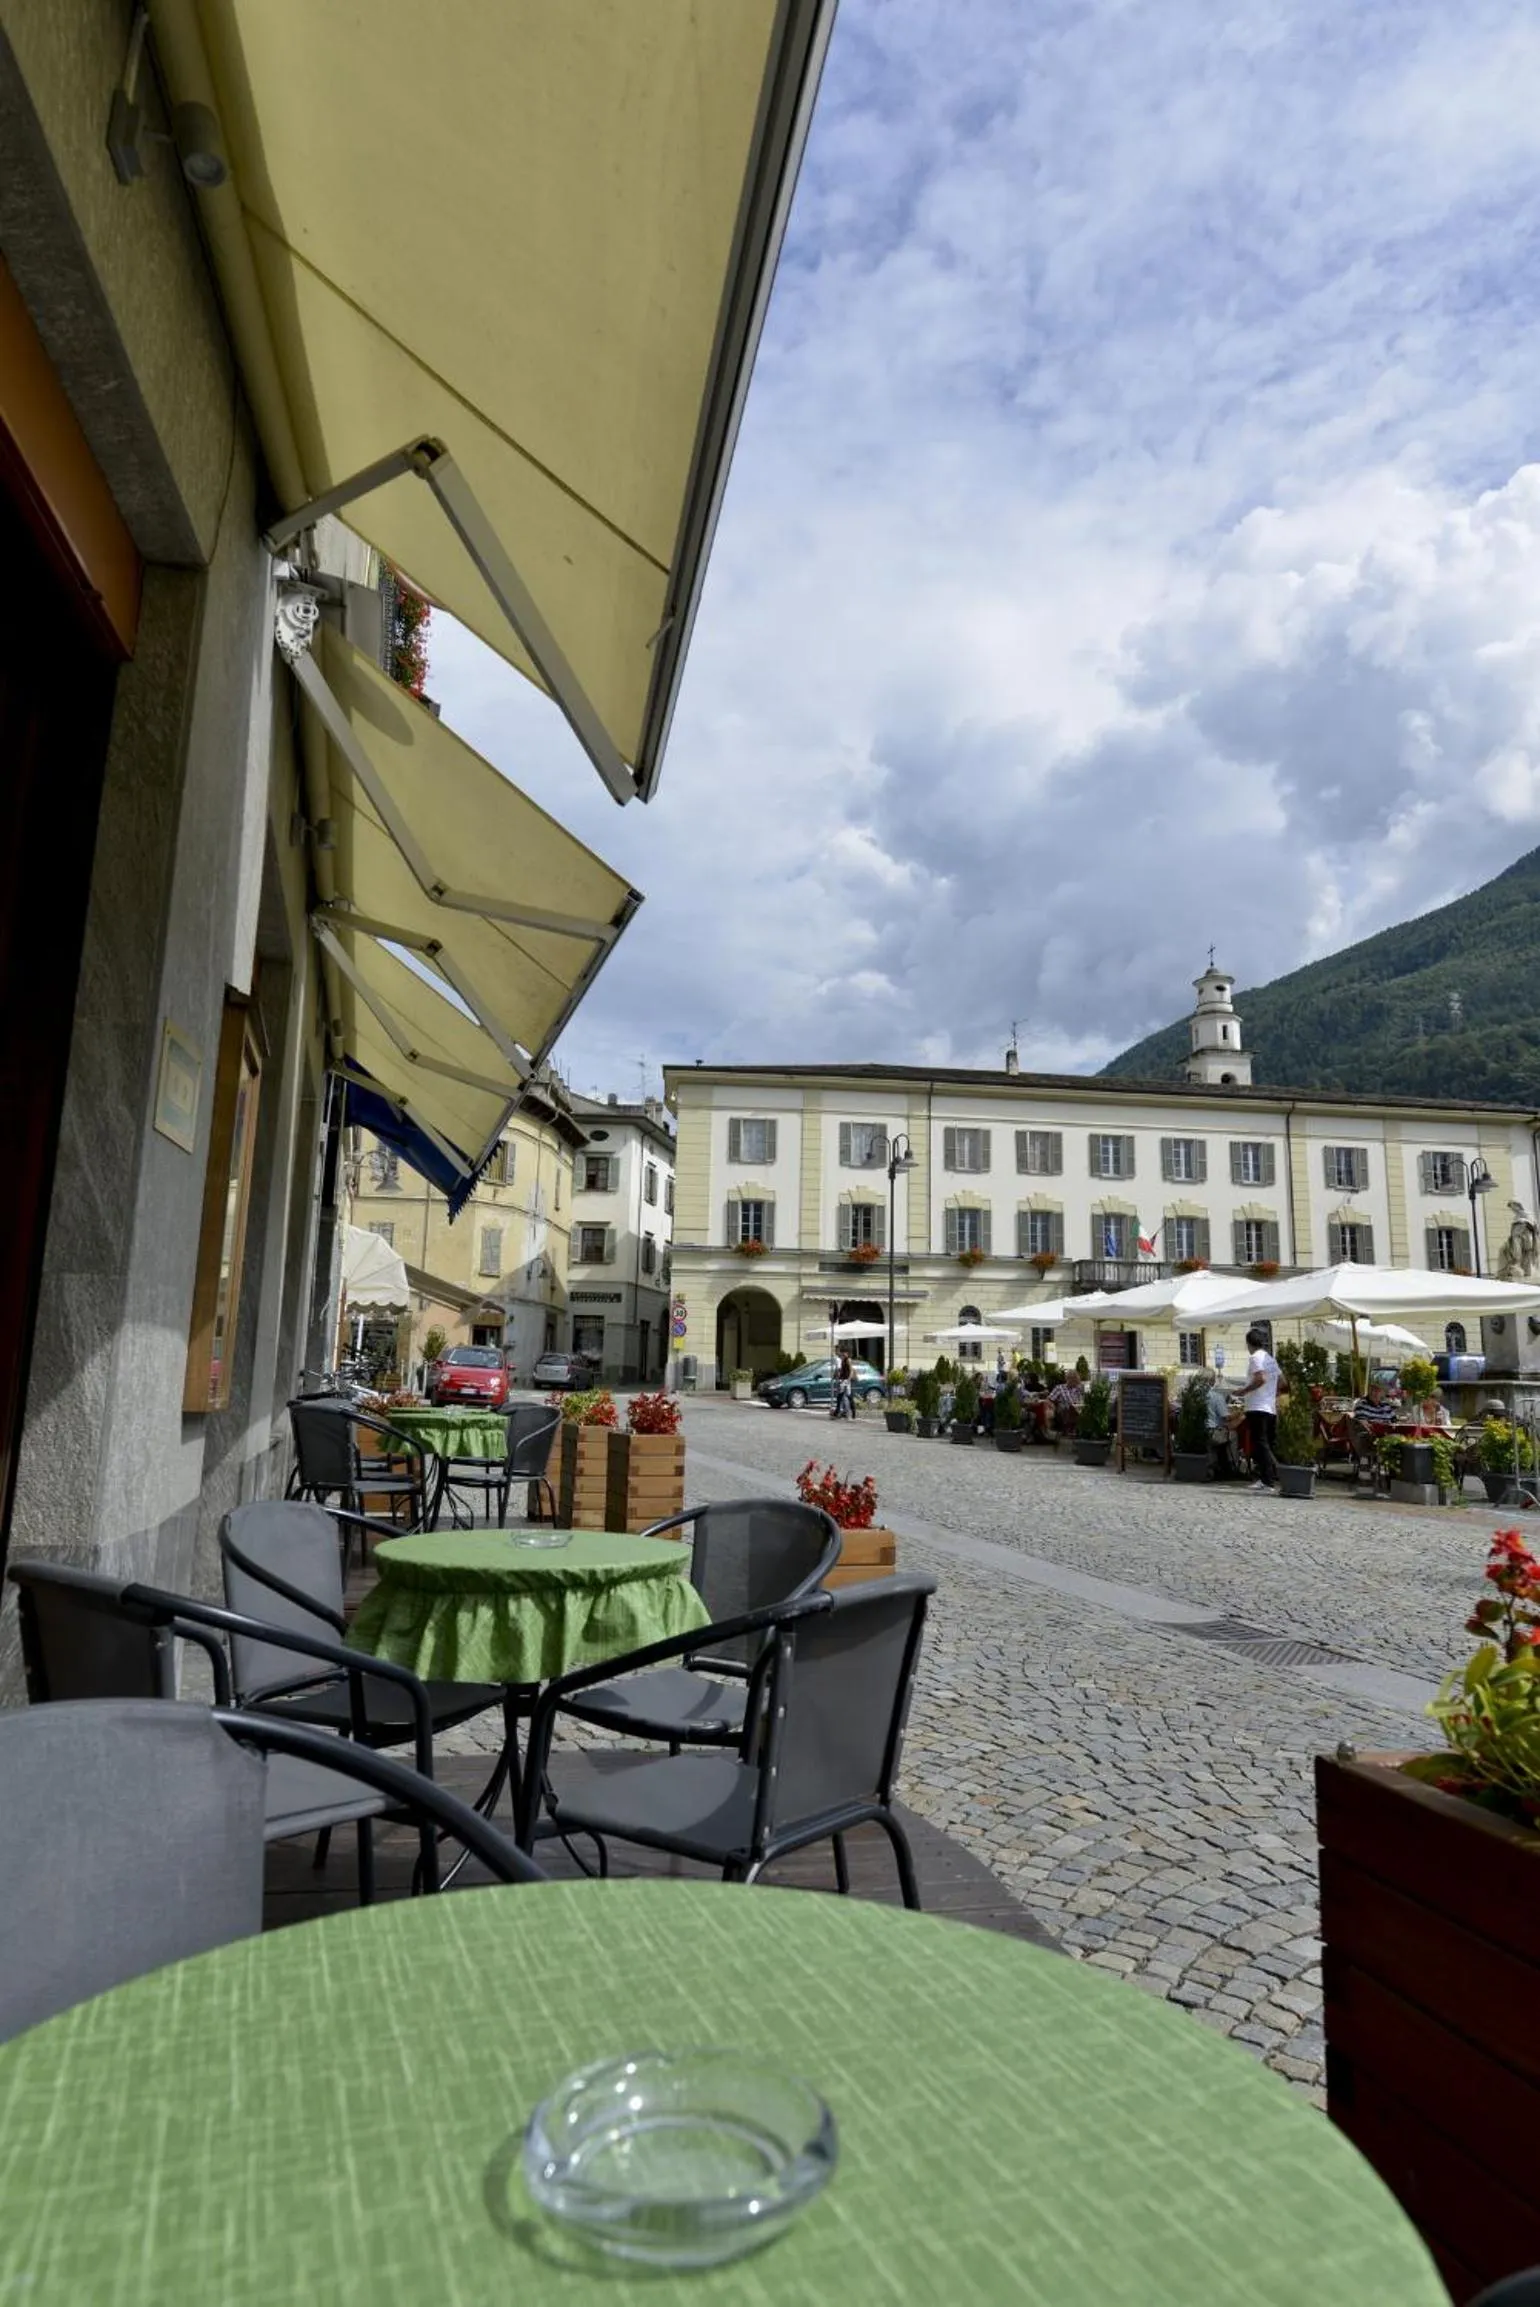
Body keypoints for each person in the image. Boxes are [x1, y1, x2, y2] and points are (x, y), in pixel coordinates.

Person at [1234, 1326, 1282, 1492]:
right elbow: (1283, 1382)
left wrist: (1244, 1391)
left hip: (1257, 1406)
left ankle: (1267, 1480)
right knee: (1267, 1443)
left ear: (1249, 1344)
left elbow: (1260, 1378)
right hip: (1269, 1407)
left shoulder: (1255, 1358)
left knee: (1259, 1443)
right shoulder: (1271, 1358)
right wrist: (1272, 1394)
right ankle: (1270, 1476)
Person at [831, 1351, 854, 1420]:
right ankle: (839, 1412)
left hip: (846, 1380)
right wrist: (837, 1376)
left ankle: (849, 1413)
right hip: (843, 1380)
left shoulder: (848, 1360)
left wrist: (848, 1379)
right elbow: (841, 1370)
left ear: (847, 1353)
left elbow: (851, 1370)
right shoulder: (843, 1360)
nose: (843, 1354)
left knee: (845, 1396)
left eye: (844, 1353)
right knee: (842, 1396)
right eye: (842, 1353)